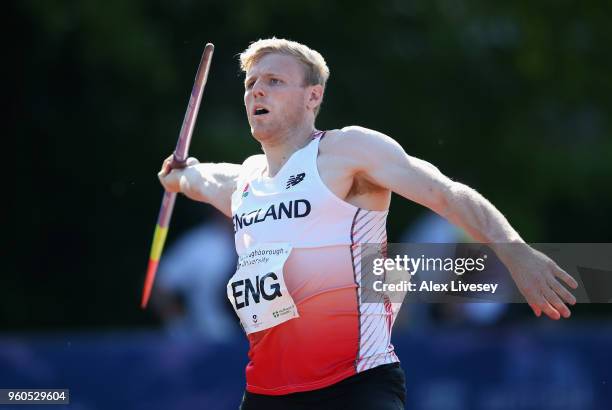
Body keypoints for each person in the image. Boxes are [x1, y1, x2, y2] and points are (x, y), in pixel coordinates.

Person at [157, 38, 578, 410]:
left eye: (274, 80)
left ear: (312, 96)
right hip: (267, 392)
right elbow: (199, 178)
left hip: (353, 385)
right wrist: (180, 175)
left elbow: (447, 194)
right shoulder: (245, 181)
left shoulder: (346, 152)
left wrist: (515, 251)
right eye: (250, 83)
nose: (257, 90)